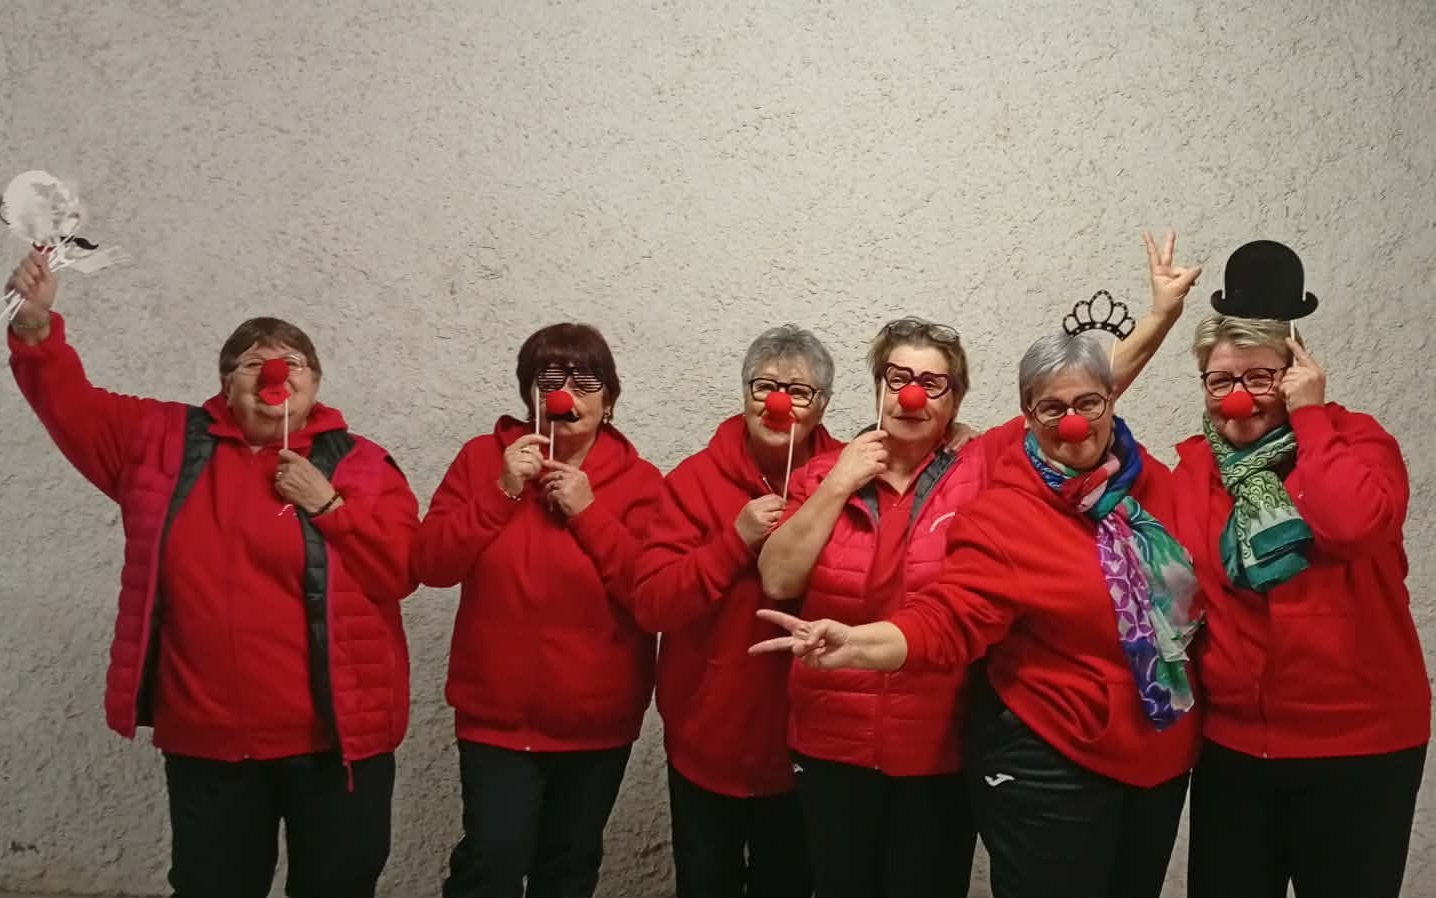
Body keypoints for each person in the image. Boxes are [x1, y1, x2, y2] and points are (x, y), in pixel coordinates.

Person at [754, 231, 1200, 898]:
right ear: (878, 390)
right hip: (832, 734)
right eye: (898, 379)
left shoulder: (982, 462)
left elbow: (1077, 399)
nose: (912, 395)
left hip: (937, 741)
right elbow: (778, 578)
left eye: (932, 383)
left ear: (955, 400)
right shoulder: (823, 472)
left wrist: (1160, 316)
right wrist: (838, 482)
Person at [5, 251, 420, 898]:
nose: (275, 371)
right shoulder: (160, 440)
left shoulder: (362, 463)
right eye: (252, 363)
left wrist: (328, 506)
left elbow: (401, 571)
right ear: (226, 384)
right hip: (210, 742)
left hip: (337, 745)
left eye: (293, 362)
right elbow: (71, 403)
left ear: (316, 384)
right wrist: (35, 328)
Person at [1172, 315, 1430, 898]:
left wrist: (1311, 418)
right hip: (1235, 748)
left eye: (1260, 378)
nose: (1238, 398)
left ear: (1296, 376)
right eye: (1220, 381)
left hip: (1360, 745)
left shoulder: (1357, 443)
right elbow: (1075, 419)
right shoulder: (1194, 470)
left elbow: (1352, 526)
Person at [414, 322, 664, 898]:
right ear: (530, 394)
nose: (566, 395)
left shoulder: (642, 483)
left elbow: (651, 596)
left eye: (585, 382)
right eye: (550, 380)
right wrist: (501, 490)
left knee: (568, 870)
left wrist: (588, 513)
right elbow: (431, 565)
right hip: (496, 719)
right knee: (490, 864)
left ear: (609, 399)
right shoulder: (481, 459)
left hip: (596, 722)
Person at [631, 324, 842, 898]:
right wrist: (734, 541)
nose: (778, 403)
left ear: (822, 405)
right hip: (706, 744)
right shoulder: (692, 482)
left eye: (798, 392)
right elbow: (651, 604)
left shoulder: (846, 480)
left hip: (809, 748)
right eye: (764, 386)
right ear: (745, 393)